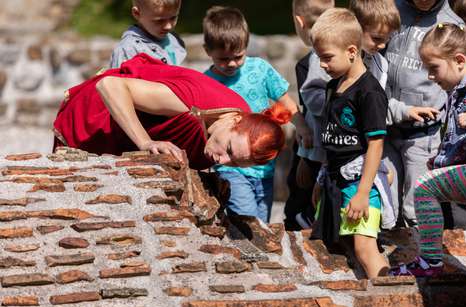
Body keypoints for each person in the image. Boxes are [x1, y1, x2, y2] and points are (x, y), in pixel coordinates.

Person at [53, 53, 289, 170]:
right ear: (235, 120)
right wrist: (145, 143)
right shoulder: (191, 104)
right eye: (227, 149)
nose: (222, 160)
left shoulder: (242, 119)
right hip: (97, 117)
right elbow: (110, 86)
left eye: (235, 163)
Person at [390, 23, 466, 276]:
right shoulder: (458, 90)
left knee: (424, 187)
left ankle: (430, 261)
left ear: (459, 60)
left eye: (434, 68)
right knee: (432, 183)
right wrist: (442, 164)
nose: (430, 76)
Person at [202, 6, 306, 223]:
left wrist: (303, 128)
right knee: (247, 221)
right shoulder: (206, 82)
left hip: (263, 166)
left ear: (246, 45)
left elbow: (285, 104)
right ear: (207, 51)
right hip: (230, 167)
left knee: (262, 223)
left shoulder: (259, 69)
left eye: (237, 56)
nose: (231, 63)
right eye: (223, 58)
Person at [310, 8, 390, 278]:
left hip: (359, 182)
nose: (322, 64)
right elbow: (332, 138)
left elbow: (376, 145)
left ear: (352, 51)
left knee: (365, 248)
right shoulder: (334, 85)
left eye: (327, 57)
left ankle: (389, 297)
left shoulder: (369, 93)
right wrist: (321, 179)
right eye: (319, 58)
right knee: (337, 245)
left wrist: (363, 193)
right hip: (333, 181)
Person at [383, 0, 463, 227]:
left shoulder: (451, 23)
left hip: (423, 133)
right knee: (385, 198)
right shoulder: (392, 9)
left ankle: (422, 255)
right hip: (387, 123)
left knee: (416, 203)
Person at [284, 0, 334, 230]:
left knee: (298, 207)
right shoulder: (350, 55)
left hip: (315, 151)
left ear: (299, 21)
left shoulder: (310, 63)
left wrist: (305, 156)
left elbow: (318, 115)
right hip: (338, 148)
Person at [109, 0, 186, 68]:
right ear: (137, 13)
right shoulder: (128, 50)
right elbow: (117, 83)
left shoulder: (174, 39)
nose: (168, 26)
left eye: (173, 18)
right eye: (159, 21)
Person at [349, 0, 400, 90]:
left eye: (388, 38)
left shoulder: (381, 65)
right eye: (377, 38)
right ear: (356, 26)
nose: (383, 46)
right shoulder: (333, 55)